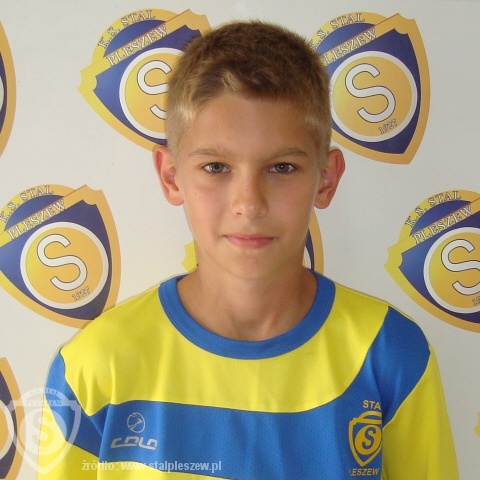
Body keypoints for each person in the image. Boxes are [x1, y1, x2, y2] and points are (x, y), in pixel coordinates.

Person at [38, 21, 458, 479]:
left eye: (282, 167)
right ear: (171, 176)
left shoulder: (388, 354)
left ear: (326, 178)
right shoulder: (95, 369)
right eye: (216, 167)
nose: (249, 204)